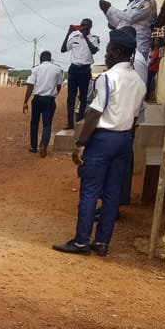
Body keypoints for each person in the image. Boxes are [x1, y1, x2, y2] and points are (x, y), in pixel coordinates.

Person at [53, 27, 146, 256]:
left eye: (107, 51)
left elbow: (94, 112)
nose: (105, 55)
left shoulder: (107, 78)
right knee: (112, 193)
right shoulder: (139, 81)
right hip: (124, 138)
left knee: (90, 190)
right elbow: (136, 116)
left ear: (115, 52)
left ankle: (82, 242)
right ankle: (102, 242)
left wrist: (80, 142)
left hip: (103, 138)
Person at [100, 0, 157, 84]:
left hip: (138, 46)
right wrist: (106, 12)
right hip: (125, 45)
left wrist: (110, 8)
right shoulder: (133, 3)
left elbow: (130, 17)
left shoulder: (148, 2)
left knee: (135, 79)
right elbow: (118, 23)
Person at [60, 19, 100, 129]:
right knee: (70, 97)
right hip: (73, 69)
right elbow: (63, 49)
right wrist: (69, 33)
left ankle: (80, 120)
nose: (83, 27)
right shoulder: (74, 38)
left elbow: (94, 51)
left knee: (83, 97)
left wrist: (85, 37)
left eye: (86, 26)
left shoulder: (94, 38)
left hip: (85, 70)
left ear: (90, 27)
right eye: (82, 25)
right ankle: (69, 122)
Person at [23, 51, 63, 158]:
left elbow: (30, 86)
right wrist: (53, 95)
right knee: (47, 124)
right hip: (49, 100)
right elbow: (59, 86)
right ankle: (44, 145)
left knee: (34, 123)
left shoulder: (35, 69)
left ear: (41, 59)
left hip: (37, 99)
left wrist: (25, 101)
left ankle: (33, 147)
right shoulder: (57, 69)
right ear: (50, 59)